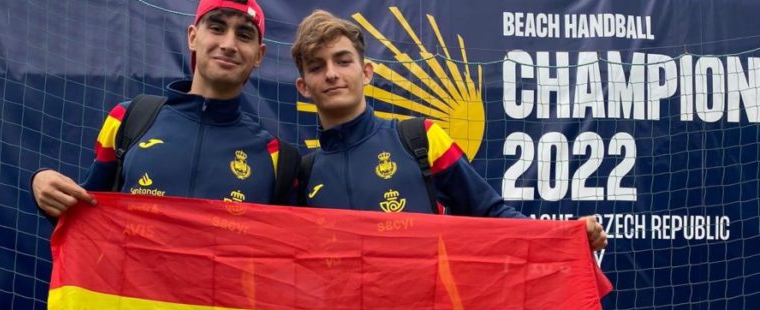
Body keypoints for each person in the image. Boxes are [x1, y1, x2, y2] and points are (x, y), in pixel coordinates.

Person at [290, 10, 607, 251]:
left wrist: (565, 237)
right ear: (304, 86)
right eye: (317, 67)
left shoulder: (422, 139)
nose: (331, 74)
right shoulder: (303, 173)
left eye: (343, 61)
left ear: (367, 72)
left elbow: (490, 212)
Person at [32, 0, 296, 217]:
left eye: (244, 35)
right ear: (192, 37)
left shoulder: (276, 156)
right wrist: (43, 184)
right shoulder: (128, 120)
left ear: (259, 55)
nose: (228, 45)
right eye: (217, 28)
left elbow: (290, 255)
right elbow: (85, 214)